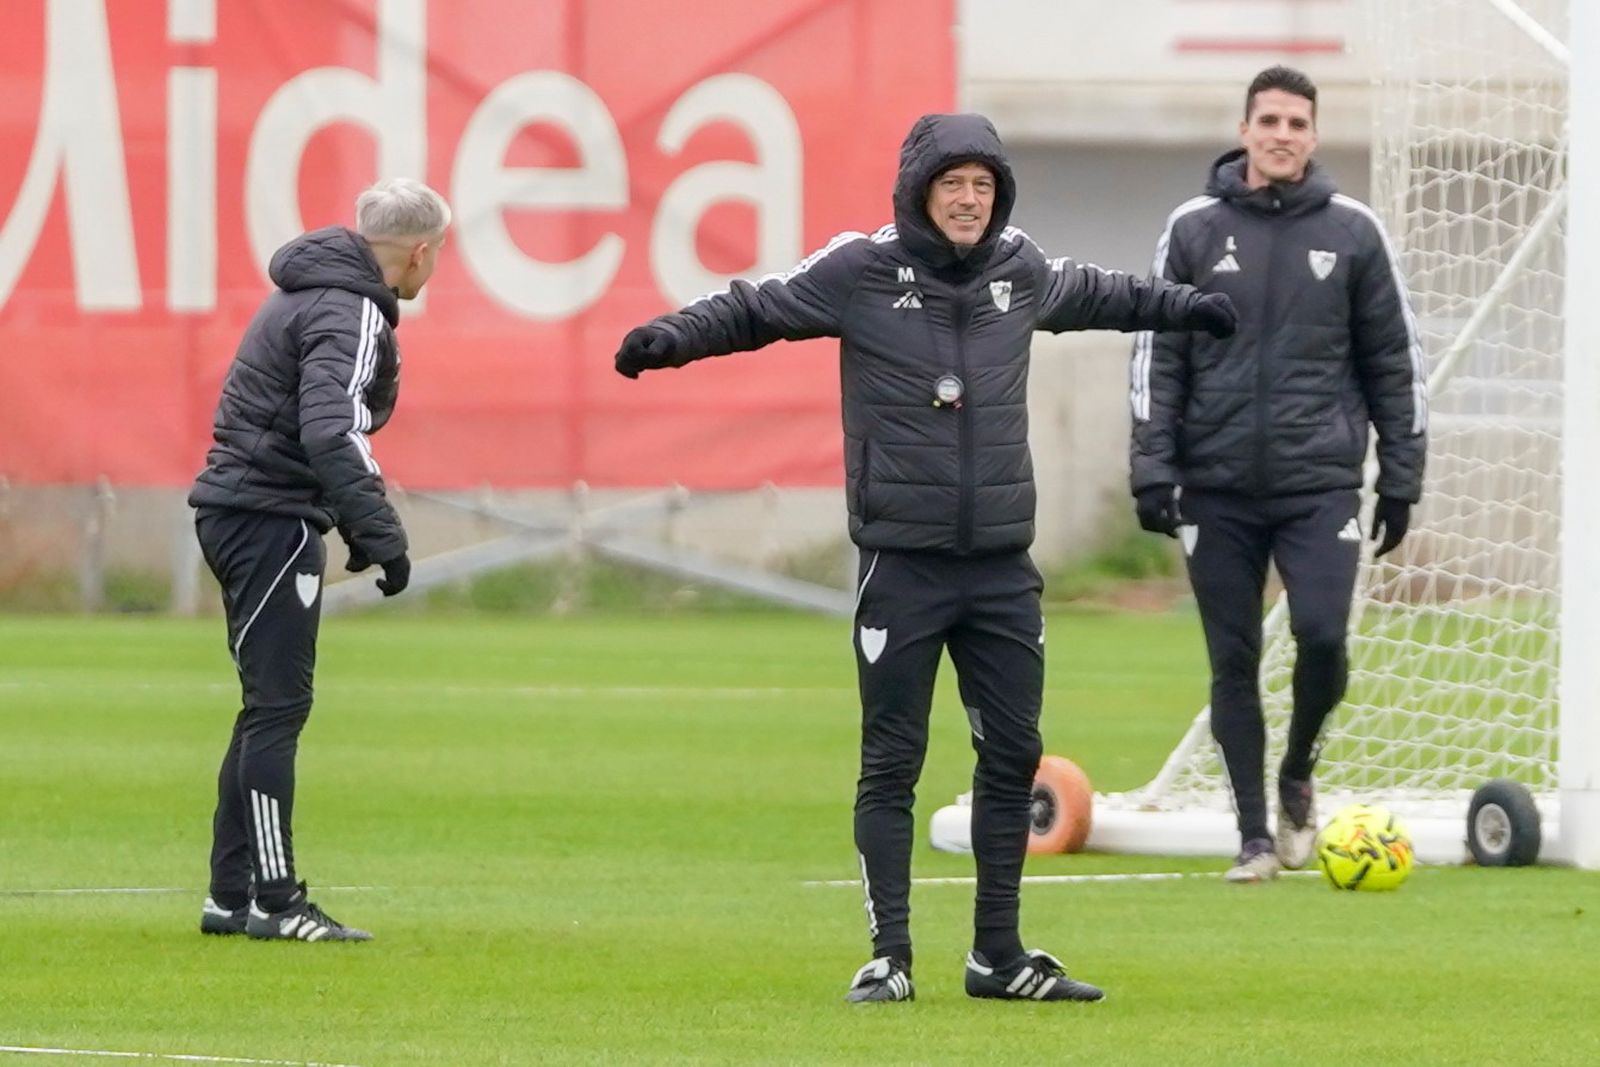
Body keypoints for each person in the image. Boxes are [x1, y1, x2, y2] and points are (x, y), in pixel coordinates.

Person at [616, 113, 1236, 1001]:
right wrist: (672, 338)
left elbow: (1101, 293)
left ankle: (998, 954)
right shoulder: (860, 270)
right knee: (892, 760)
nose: (970, 201)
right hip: (901, 565)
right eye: (955, 185)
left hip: (998, 568)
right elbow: (757, 307)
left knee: (1014, 754)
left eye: (984, 187)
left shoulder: (1017, 269)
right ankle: (890, 954)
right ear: (920, 190)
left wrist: (1187, 308)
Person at [1129, 66, 1427, 883]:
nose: (1283, 134)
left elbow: (1394, 364)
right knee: (1231, 661)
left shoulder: (1354, 231)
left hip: (1319, 482)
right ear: (1246, 128)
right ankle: (1254, 836)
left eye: (1298, 122)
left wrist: (1400, 475)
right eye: (1269, 120)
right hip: (1214, 486)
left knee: (1323, 636)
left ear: (1315, 136)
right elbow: (1159, 352)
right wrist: (1153, 465)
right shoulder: (1192, 227)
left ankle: (1299, 767)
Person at [188, 177, 451, 940]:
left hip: (238, 510)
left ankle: (229, 895)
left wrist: (355, 525)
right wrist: (382, 532)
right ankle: (275, 900)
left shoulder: (305, 292)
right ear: (421, 252)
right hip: (268, 518)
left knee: (261, 707)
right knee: (279, 709)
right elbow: (331, 430)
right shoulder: (354, 306)